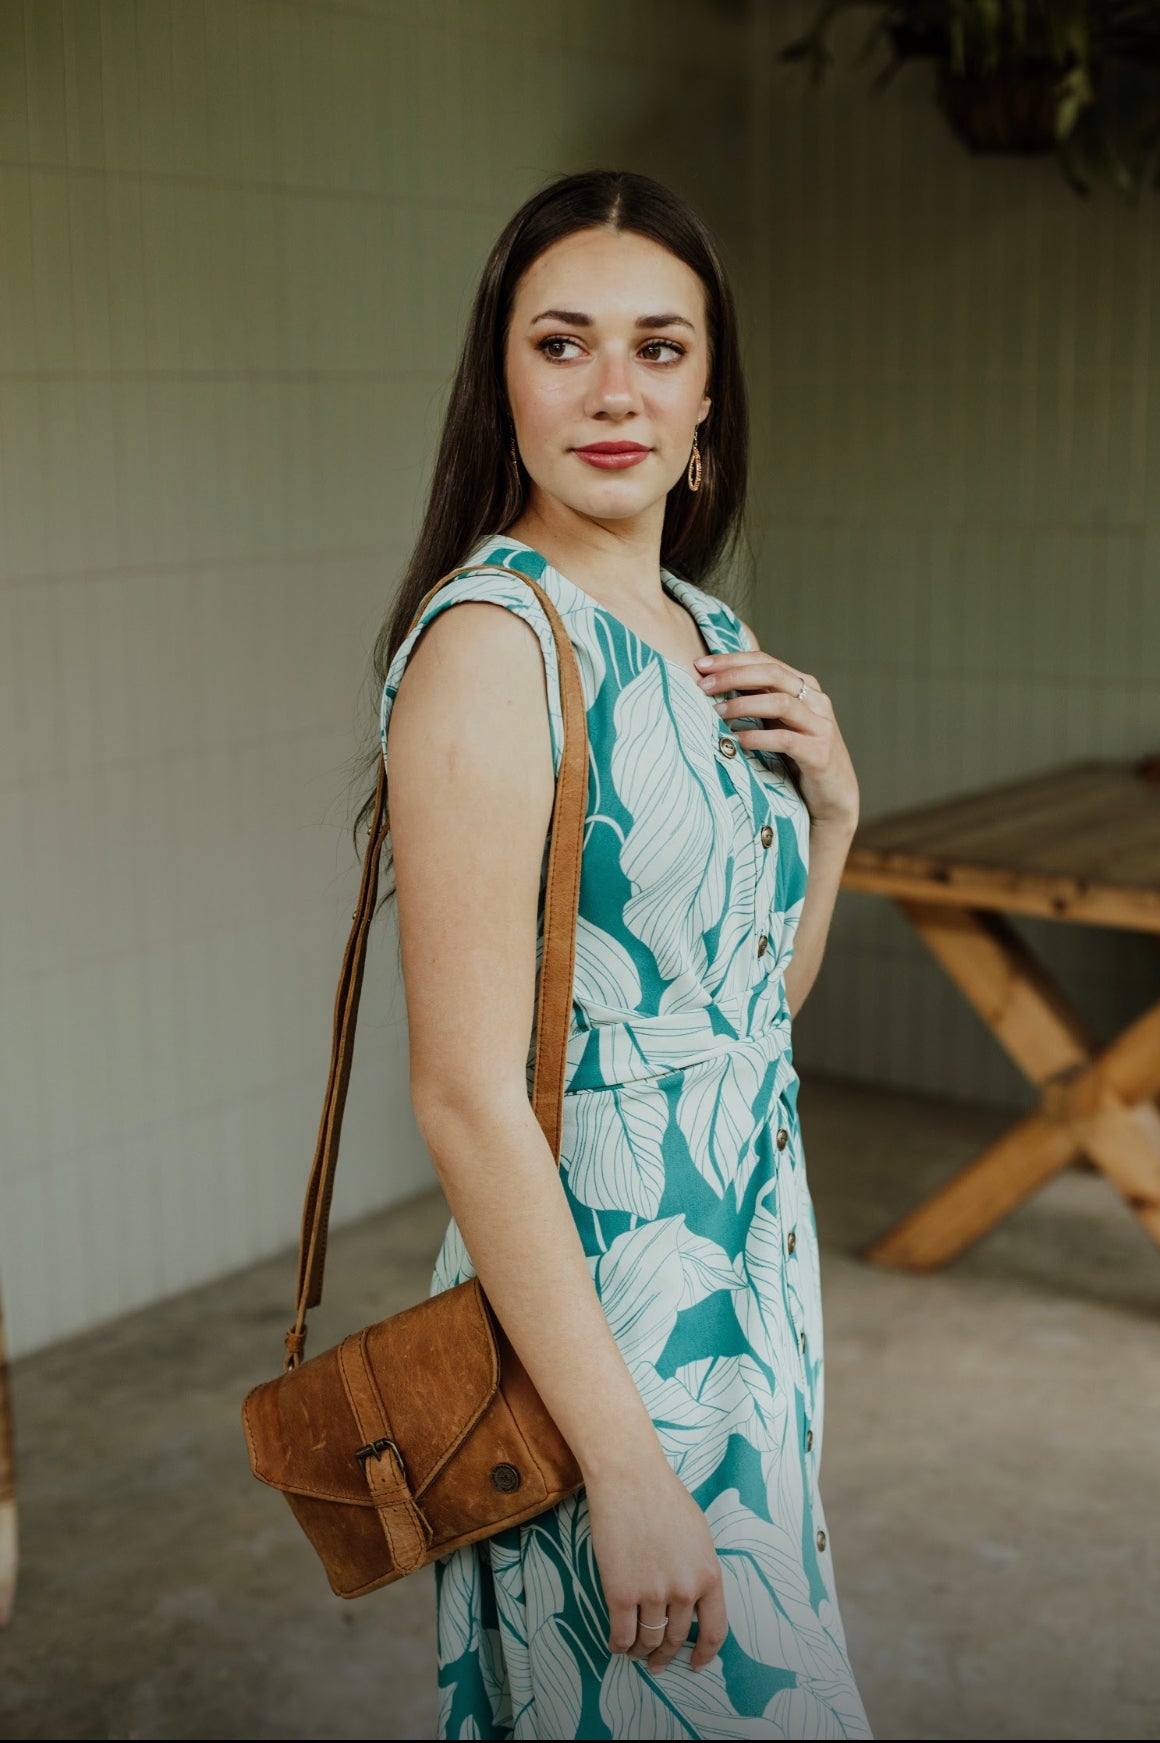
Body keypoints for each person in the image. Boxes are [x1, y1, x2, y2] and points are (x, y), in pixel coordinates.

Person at [367, 168, 870, 1742]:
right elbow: (460, 1093)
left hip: (746, 1305)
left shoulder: (706, 633)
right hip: (601, 1338)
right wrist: (626, 1470)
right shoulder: (489, 646)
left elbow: (740, 1017)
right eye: (561, 342)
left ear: (709, 392)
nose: (611, 392)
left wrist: (837, 814)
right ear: (497, 377)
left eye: (658, 349)